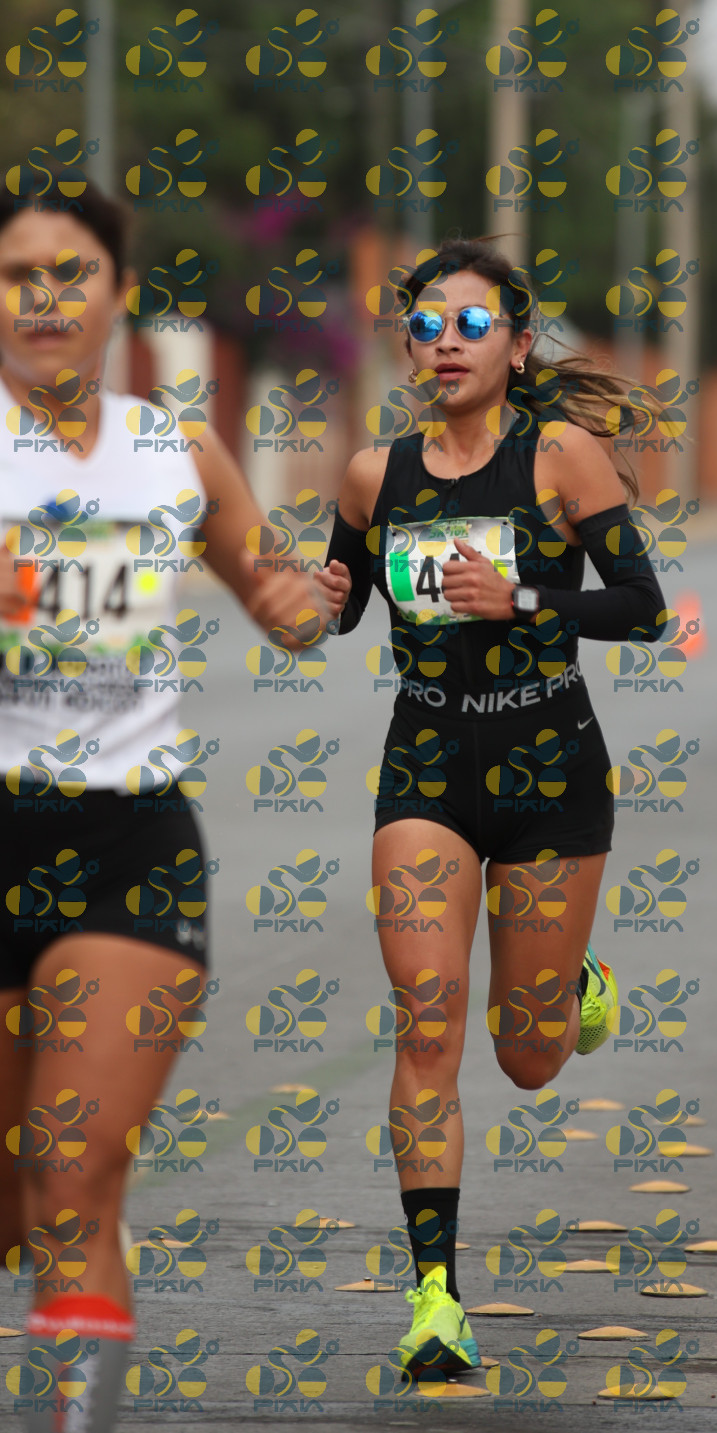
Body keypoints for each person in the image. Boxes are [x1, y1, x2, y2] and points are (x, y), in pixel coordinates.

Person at [0, 178, 329, 1432]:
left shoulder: (173, 451)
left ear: (118, 293)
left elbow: (284, 602)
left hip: (128, 841)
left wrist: (320, 590)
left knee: (71, 1170)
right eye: (17, 275)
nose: (44, 297)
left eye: (70, 272)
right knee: (15, 1199)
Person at [321, 237, 666, 1379]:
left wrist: (521, 595)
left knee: (526, 1057)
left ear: (517, 347)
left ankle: (570, 984)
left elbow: (642, 605)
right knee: (427, 1019)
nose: (446, 342)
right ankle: (435, 1297)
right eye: (426, 324)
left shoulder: (560, 457)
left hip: (549, 768)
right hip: (424, 768)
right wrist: (319, 595)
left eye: (472, 324)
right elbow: (341, 606)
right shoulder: (372, 475)